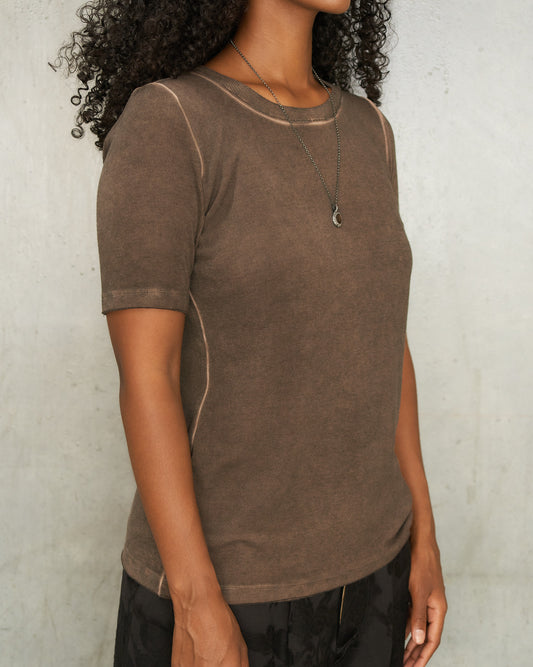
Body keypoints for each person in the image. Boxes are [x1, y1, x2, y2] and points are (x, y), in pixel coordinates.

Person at [53, 0, 447, 665]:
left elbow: (385, 347)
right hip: (228, 593)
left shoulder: (369, 131)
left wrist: (424, 540)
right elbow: (147, 376)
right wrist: (194, 602)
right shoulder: (172, 121)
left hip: (376, 578)